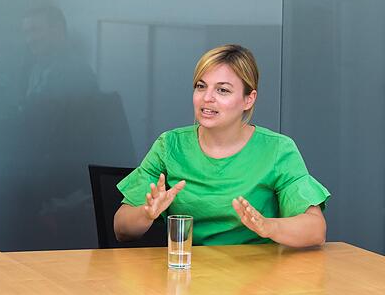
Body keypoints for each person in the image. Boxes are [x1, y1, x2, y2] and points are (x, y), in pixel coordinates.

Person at [114, 44, 330, 247]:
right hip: (189, 273)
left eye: (223, 90)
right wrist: (146, 214)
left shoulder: (277, 149)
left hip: (260, 279)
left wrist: (267, 226)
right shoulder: (169, 146)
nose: (207, 98)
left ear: (249, 99)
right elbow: (121, 228)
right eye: (201, 87)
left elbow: (315, 229)